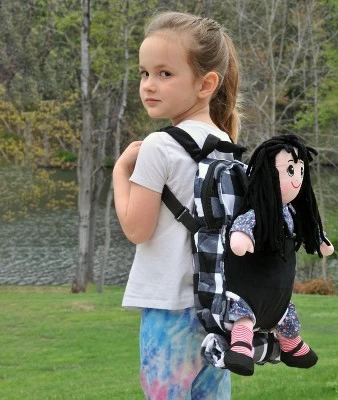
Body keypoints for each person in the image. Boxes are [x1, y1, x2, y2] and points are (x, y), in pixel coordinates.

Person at [113, 10, 241, 399]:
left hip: (168, 308)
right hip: (215, 308)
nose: (149, 85)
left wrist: (120, 170)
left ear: (206, 84)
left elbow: (136, 229)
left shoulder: (159, 146)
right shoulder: (228, 145)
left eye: (165, 73)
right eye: (144, 73)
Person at [222, 134, 334, 376]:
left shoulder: (293, 212)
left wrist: (319, 241)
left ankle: (291, 345)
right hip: (251, 290)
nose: (297, 179)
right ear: (268, 175)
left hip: (279, 294)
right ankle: (241, 347)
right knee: (244, 319)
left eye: (300, 171)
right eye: (290, 171)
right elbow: (243, 225)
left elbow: (309, 227)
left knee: (286, 316)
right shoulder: (258, 213)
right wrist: (241, 238)